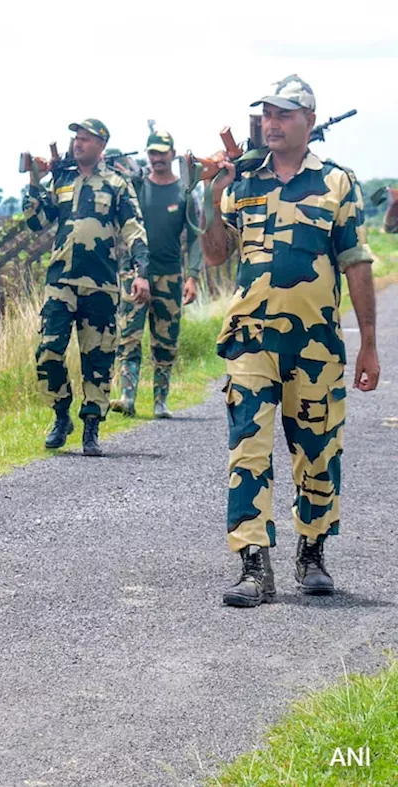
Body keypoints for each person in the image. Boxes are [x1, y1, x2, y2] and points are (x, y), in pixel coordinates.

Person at [200, 74, 380, 607]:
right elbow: (214, 255)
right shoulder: (242, 182)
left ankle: (313, 552)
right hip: (250, 340)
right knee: (248, 452)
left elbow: (356, 263)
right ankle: (254, 565)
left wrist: (368, 341)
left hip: (316, 344)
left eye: (284, 114)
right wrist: (214, 199)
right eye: (267, 116)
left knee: (319, 450)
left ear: (309, 120)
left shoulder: (337, 183)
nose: (272, 124)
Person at [23, 119, 150, 456]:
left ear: (101, 145)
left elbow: (134, 228)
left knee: (98, 359)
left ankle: (91, 426)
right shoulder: (61, 180)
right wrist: (35, 183)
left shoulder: (116, 184)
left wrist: (141, 272)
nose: (77, 143)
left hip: (102, 285)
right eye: (75, 138)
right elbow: (37, 222)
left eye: (85, 139)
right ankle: (61, 413)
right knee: (48, 352)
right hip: (60, 282)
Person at [110, 129, 200, 419]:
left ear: (172, 154)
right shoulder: (138, 187)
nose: (157, 158)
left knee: (166, 341)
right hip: (135, 274)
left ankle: (160, 401)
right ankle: (127, 396)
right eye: (152, 153)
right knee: (129, 337)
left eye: (162, 153)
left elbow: (196, 237)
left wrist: (193, 276)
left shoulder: (184, 193)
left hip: (170, 275)